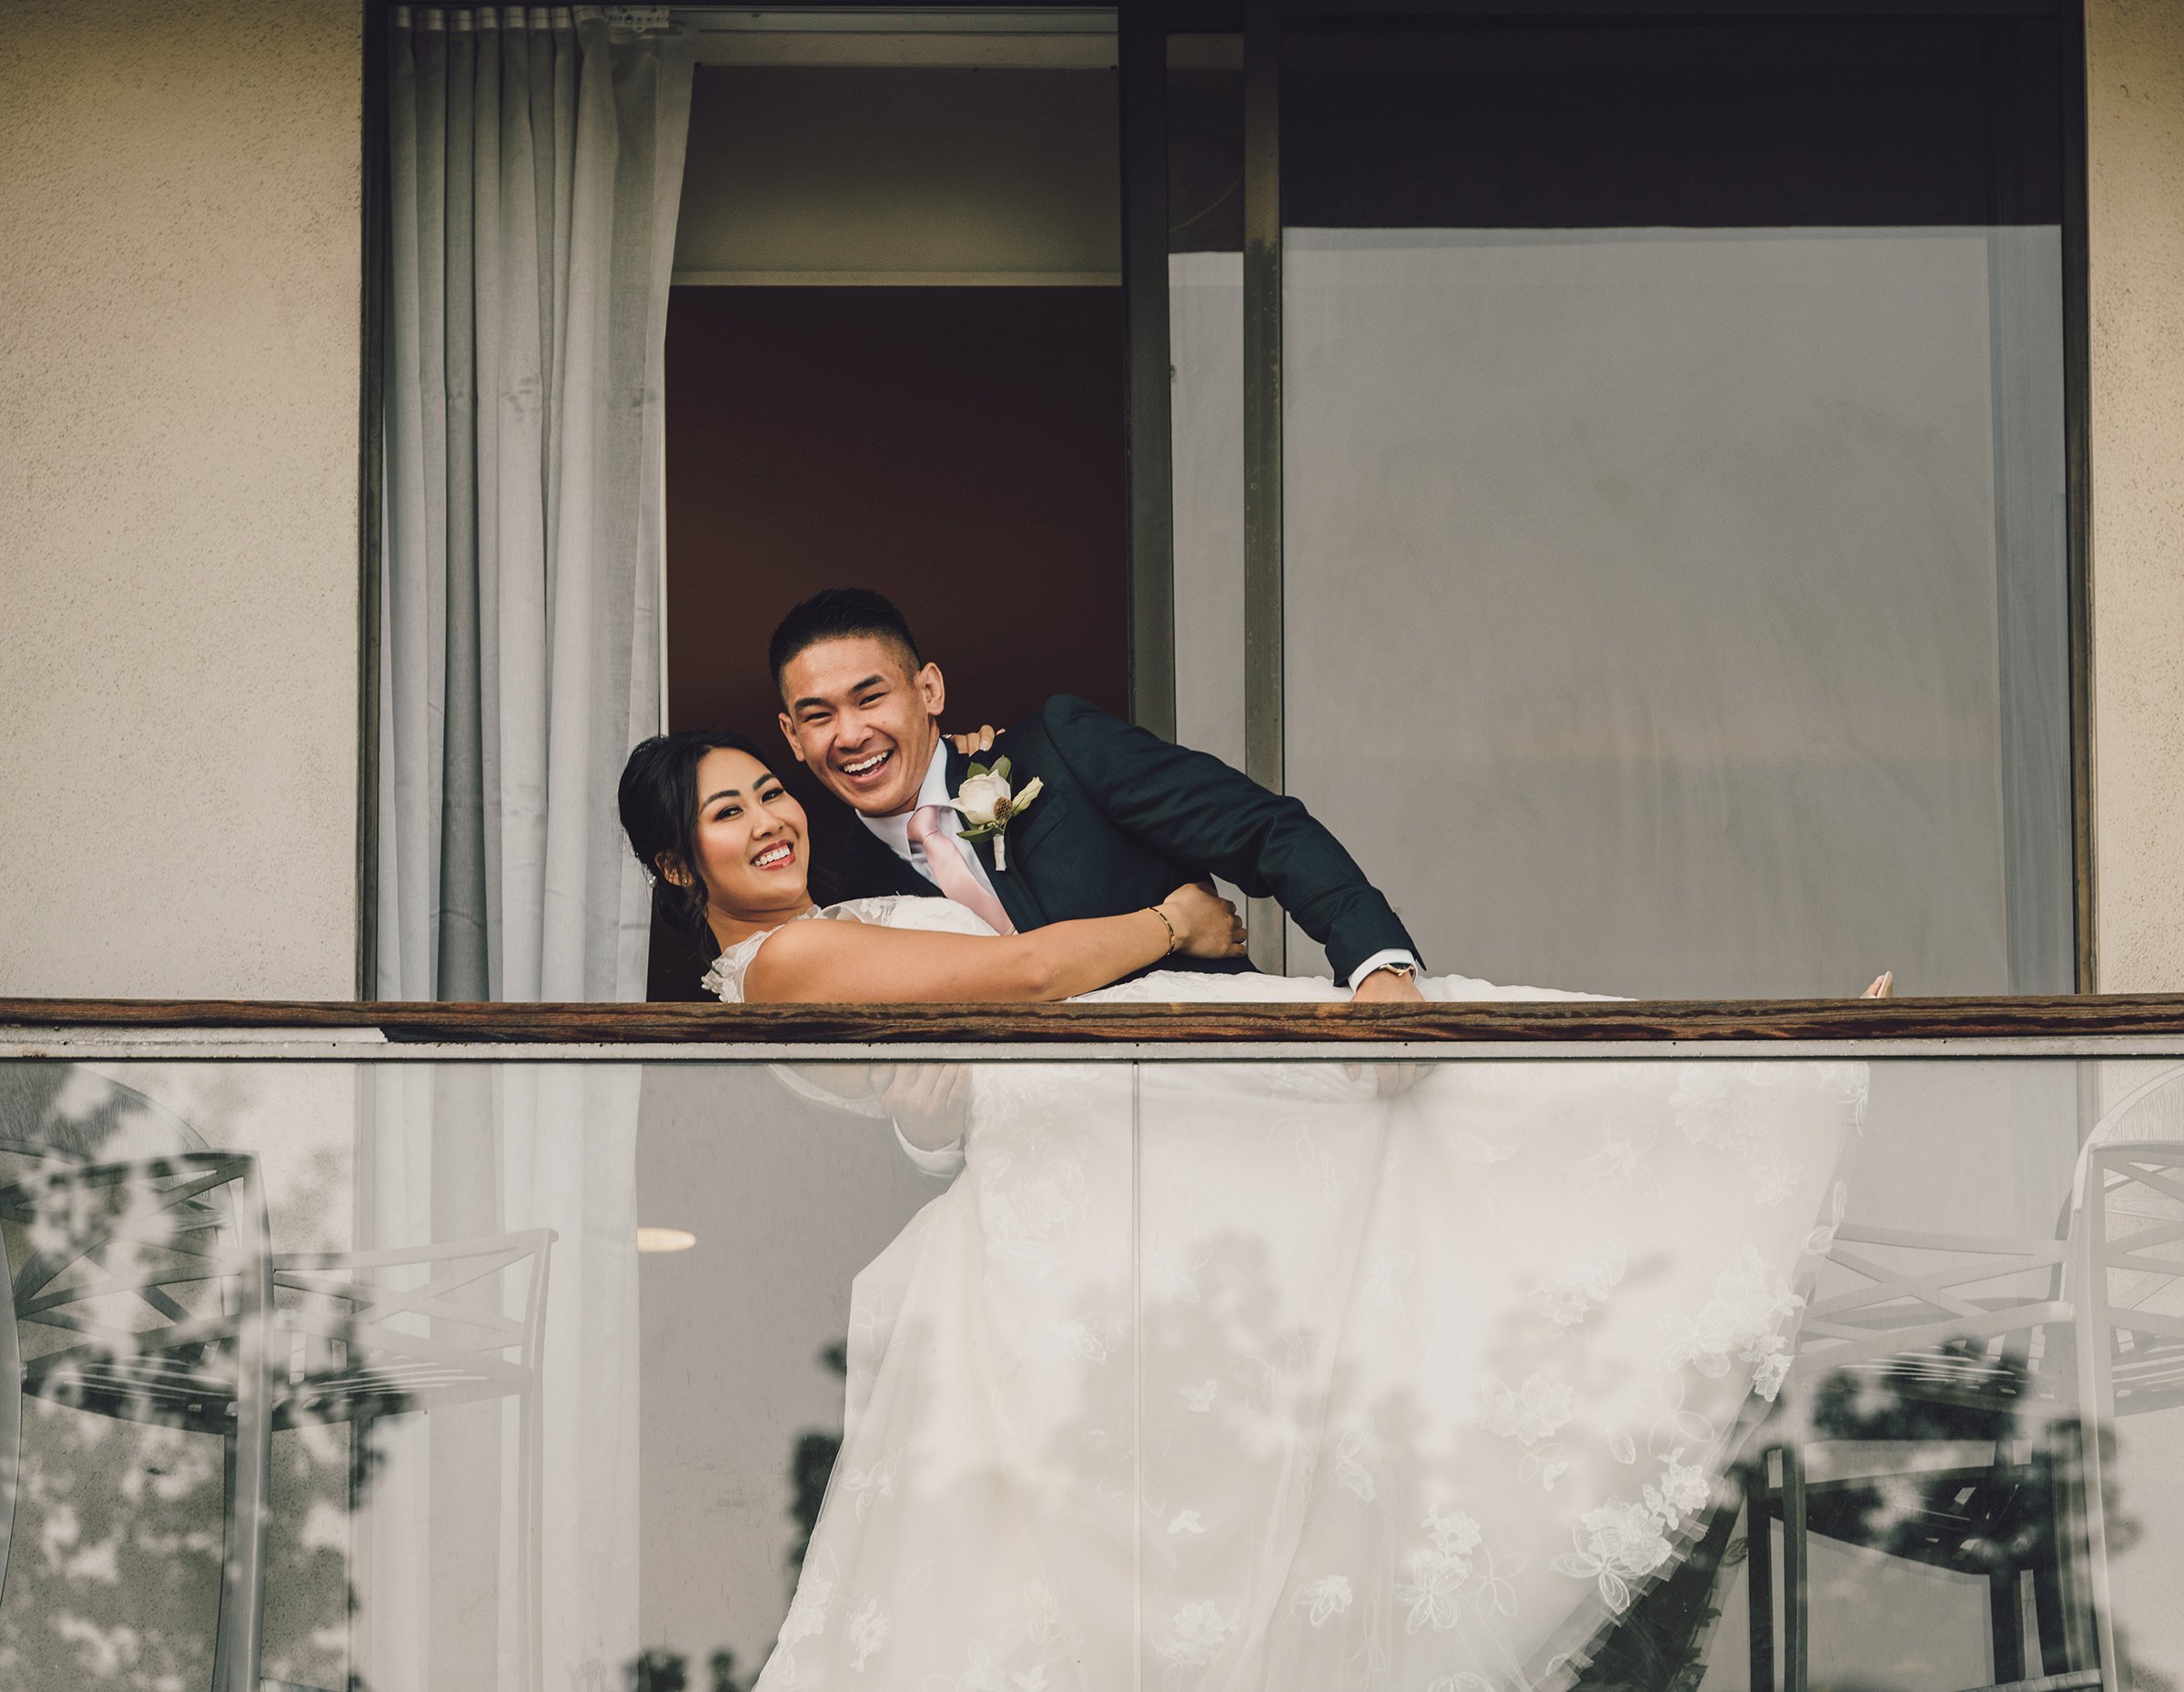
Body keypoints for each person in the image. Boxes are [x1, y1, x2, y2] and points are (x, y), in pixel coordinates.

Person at [616, 730, 1886, 1690]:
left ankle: (1753, 1070)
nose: (773, 815)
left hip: (1106, 1137)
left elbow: (951, 1059)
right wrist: (1173, 916)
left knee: (1422, 1094)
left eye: (769, 789)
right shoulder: (781, 960)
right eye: (729, 812)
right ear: (681, 862)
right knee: (1406, 1119)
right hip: (1090, 1152)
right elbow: (1019, 974)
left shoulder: (826, 923)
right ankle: (1764, 1072)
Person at [769, 588, 1431, 1003]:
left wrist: (1378, 965)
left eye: (871, 696)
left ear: (929, 691)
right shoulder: (846, 896)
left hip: (1219, 1075)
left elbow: (1263, 829)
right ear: (793, 737)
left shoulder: (1057, 745)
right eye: (819, 715)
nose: (851, 734)